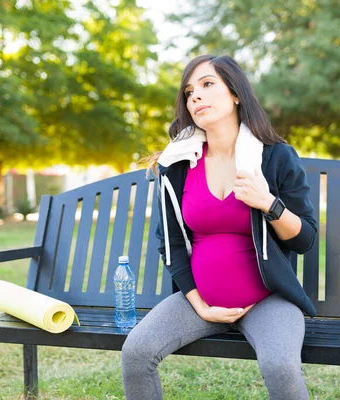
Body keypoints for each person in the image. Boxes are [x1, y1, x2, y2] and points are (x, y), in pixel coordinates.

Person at [121, 54, 317, 399]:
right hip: (200, 301)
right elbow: (171, 244)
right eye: (189, 91)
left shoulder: (275, 157)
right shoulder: (178, 164)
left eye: (207, 84)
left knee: (280, 367)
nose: (195, 96)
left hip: (268, 301)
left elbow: (305, 240)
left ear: (236, 93)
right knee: (136, 353)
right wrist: (200, 305)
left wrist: (269, 204)